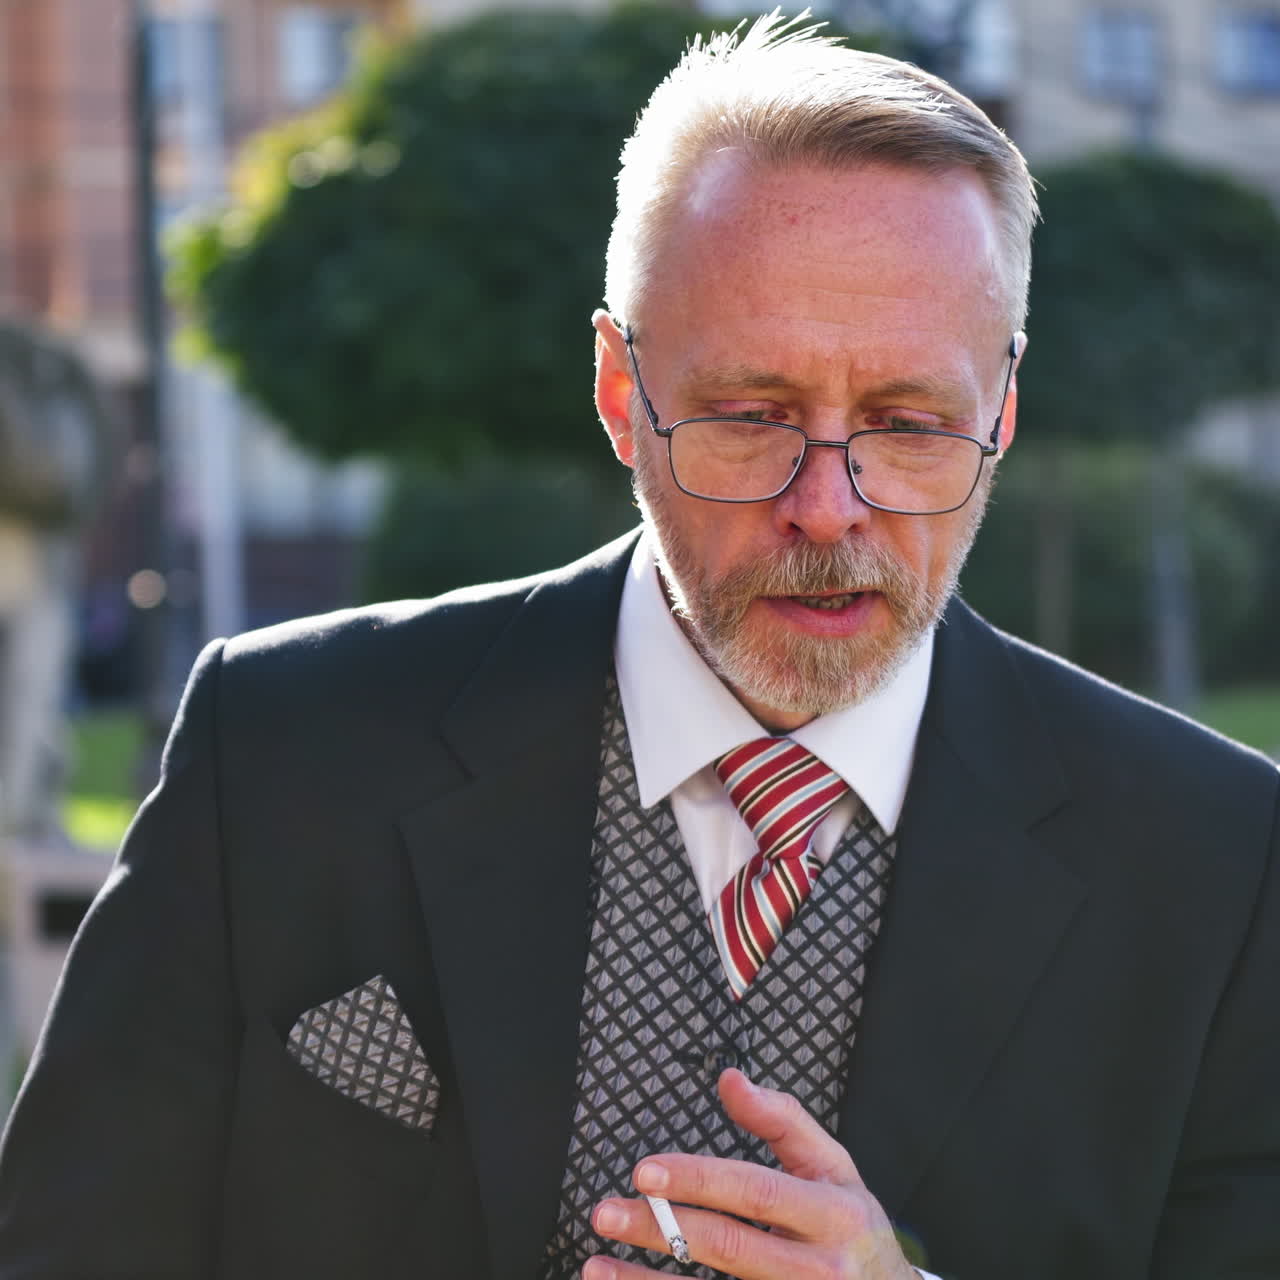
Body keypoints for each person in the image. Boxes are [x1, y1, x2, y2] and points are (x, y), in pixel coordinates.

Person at [1, 15, 1277, 1280]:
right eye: (748, 413)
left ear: (998, 409)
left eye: (905, 423)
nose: (826, 509)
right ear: (621, 389)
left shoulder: (1221, 862)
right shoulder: (278, 753)